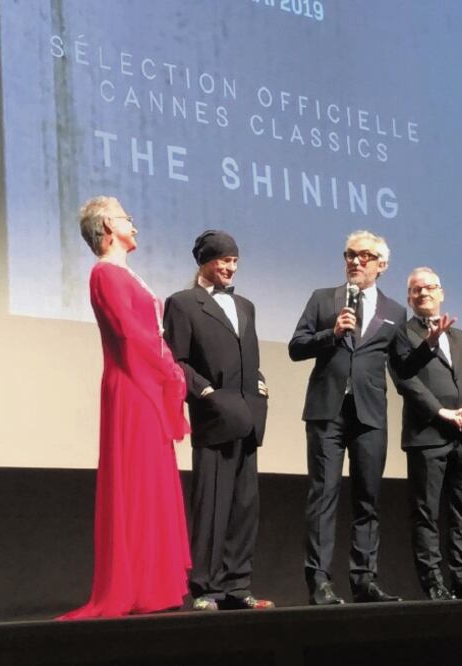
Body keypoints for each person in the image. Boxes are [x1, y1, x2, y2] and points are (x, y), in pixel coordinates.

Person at [60, 196, 191, 619]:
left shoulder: (123, 273)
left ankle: (154, 584)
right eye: (125, 218)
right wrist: (168, 369)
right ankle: (134, 584)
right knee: (136, 479)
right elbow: (131, 335)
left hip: (145, 382)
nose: (133, 223)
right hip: (132, 386)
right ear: (106, 227)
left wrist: (168, 369)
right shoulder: (104, 273)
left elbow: (145, 334)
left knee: (151, 477)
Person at [289, 230, 406, 605]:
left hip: (370, 414)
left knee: (367, 499)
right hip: (327, 410)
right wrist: (331, 332)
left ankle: (364, 580)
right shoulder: (323, 299)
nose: (356, 261)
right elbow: (295, 347)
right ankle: (320, 581)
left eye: (366, 256)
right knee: (323, 495)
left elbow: (402, 366)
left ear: (382, 265)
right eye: (350, 254)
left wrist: (429, 348)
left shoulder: (395, 313)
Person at [162, 230, 274, 611]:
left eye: (234, 261)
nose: (230, 267)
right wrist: (205, 392)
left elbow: (250, 356)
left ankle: (237, 584)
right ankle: (205, 588)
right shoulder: (182, 303)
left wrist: (260, 383)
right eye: (223, 260)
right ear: (205, 262)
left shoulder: (246, 306)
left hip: (248, 415)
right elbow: (176, 359)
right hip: (215, 416)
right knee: (211, 504)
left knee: (245, 506)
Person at [389, 268, 462, 600]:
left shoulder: (461, 337)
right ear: (409, 297)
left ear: (441, 293)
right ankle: (433, 582)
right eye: (416, 289)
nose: (423, 293)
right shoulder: (402, 334)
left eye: (429, 288)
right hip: (428, 433)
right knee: (426, 512)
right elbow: (405, 380)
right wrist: (442, 412)